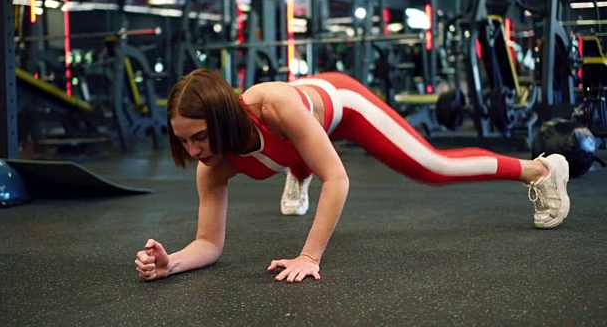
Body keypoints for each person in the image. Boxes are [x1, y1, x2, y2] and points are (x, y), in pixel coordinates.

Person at [135, 69, 570, 283]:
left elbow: (339, 180)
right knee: (300, 151)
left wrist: (309, 256)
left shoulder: (273, 107)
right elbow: (209, 243)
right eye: (184, 141)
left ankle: (539, 170)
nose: (193, 152)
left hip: (341, 105)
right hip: (300, 130)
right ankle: (299, 166)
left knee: (432, 167)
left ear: (223, 118)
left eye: (200, 138)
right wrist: (171, 263)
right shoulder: (212, 168)